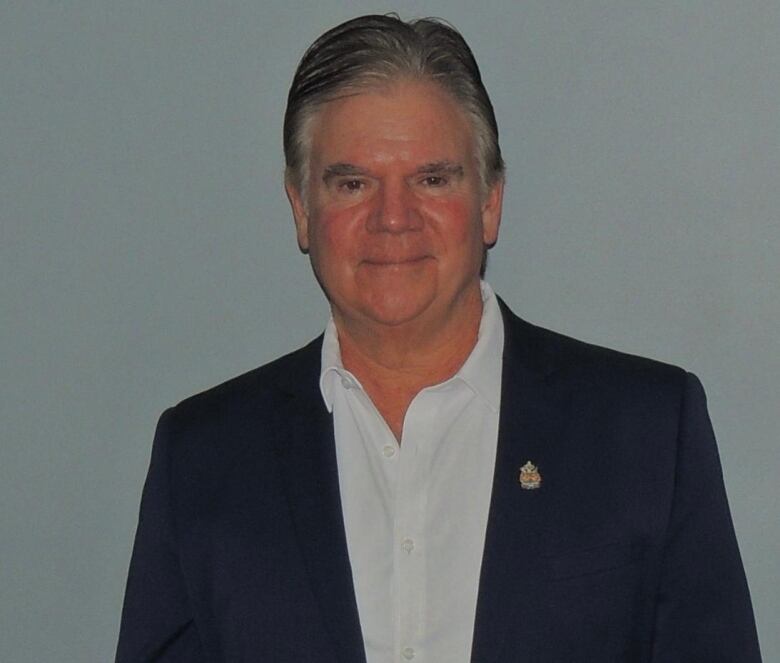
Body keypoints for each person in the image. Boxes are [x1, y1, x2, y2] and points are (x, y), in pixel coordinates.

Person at [116, 14, 761, 663]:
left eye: (431, 179)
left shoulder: (646, 433)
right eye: (353, 183)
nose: (392, 218)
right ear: (301, 210)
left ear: (490, 202)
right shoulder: (203, 459)